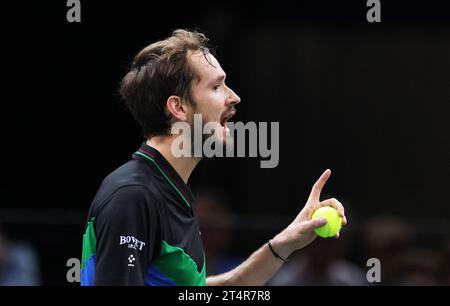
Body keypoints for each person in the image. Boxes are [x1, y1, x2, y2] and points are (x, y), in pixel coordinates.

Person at [80, 29, 347, 286]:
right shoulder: (133, 196)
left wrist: (287, 242)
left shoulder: (168, 190)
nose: (234, 97)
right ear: (179, 107)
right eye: (217, 87)